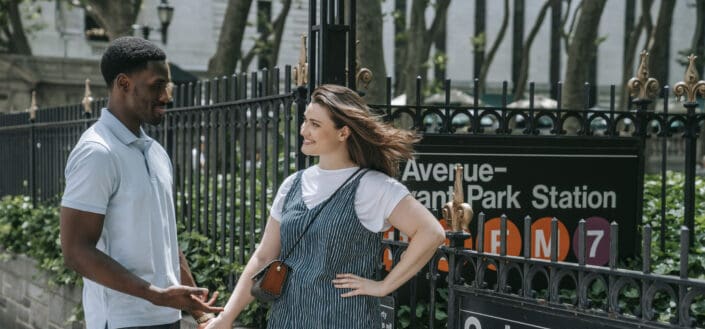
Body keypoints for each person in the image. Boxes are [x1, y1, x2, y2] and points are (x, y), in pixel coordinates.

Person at [206, 84, 446, 328]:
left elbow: (432, 233)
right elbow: (264, 256)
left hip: (346, 320)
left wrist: (384, 286)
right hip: (287, 320)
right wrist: (226, 318)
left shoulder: (373, 187)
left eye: (315, 124)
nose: (304, 130)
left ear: (343, 133)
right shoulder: (293, 184)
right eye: (305, 121)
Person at [59, 37, 223, 329]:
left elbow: (165, 240)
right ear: (123, 83)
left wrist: (201, 314)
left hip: (167, 317)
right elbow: (76, 251)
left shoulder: (155, 152)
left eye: (167, 87)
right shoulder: (98, 152)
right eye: (157, 86)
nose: (166, 96)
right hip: (122, 322)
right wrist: (155, 295)